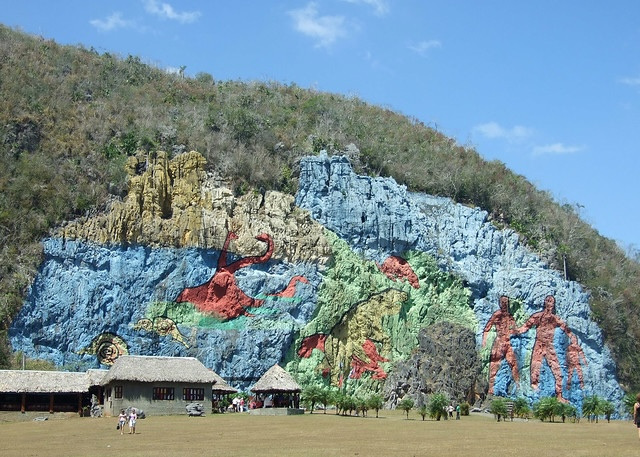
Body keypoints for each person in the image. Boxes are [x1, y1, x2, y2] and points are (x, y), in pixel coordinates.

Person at [516, 295, 584, 402]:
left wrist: (573, 338)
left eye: (551, 301)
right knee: (535, 367)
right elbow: (526, 326)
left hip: (549, 346)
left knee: (557, 370)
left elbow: (567, 330)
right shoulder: (538, 316)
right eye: (547, 301)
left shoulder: (555, 319)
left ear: (554, 304)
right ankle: (533, 390)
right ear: (544, 303)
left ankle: (559, 395)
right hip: (539, 344)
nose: (549, 303)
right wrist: (516, 331)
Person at [482, 295, 520, 394]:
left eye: (506, 302)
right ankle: (491, 388)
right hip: (499, 341)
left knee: (514, 364)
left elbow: (515, 330)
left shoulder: (510, 317)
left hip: (508, 343)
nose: (505, 304)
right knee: (494, 364)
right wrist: (484, 342)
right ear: (500, 303)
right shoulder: (497, 314)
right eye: (503, 302)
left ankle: (518, 386)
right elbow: (487, 328)